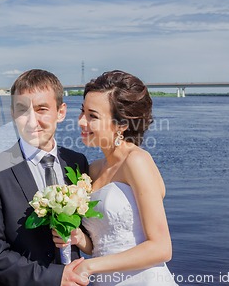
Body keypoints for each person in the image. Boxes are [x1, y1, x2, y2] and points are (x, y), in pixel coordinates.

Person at [52, 70, 178, 285]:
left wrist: (89, 266)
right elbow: (104, 243)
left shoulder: (136, 161)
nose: (81, 122)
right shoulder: (92, 170)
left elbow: (161, 248)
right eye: (82, 112)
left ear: (121, 125)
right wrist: (81, 240)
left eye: (93, 116)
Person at [0, 69, 90, 286]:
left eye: (42, 109)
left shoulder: (77, 162)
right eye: (23, 110)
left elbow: (89, 231)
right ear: (12, 113)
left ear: (61, 112)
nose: (32, 121)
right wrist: (55, 277)